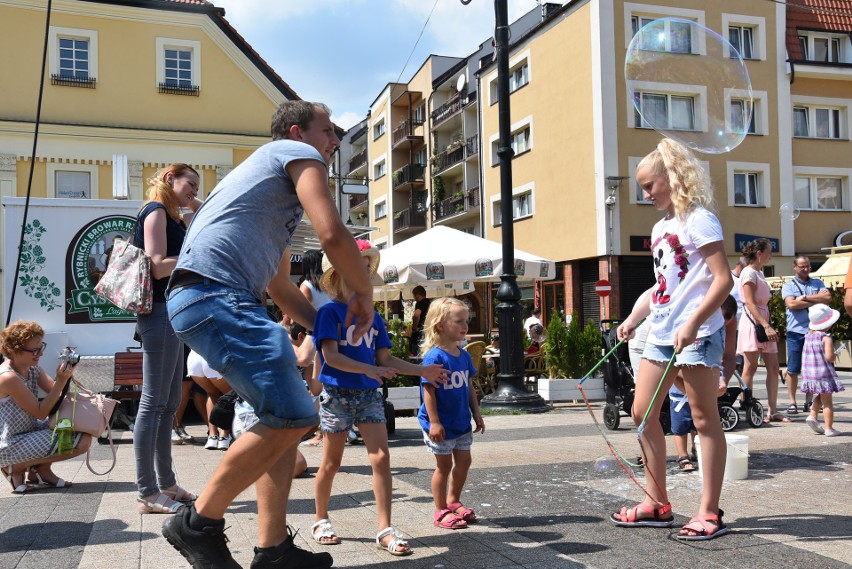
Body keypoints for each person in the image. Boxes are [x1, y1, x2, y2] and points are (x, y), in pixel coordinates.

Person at [163, 101, 375, 569]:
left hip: (206, 298)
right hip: (217, 296)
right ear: (299, 132)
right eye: (329, 131)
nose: (336, 140)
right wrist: (364, 292)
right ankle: (196, 524)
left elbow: (280, 287)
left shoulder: (262, 192)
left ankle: (274, 549)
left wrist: (326, 326)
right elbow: (333, 234)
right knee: (295, 412)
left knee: (279, 421)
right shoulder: (294, 154)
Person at [611, 138, 732, 541]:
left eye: (649, 186)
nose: (645, 195)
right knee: (642, 413)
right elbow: (663, 286)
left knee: (703, 419)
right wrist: (632, 317)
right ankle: (656, 503)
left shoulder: (699, 220)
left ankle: (708, 512)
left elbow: (722, 280)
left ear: (672, 178)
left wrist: (695, 320)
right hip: (662, 333)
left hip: (697, 335)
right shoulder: (660, 228)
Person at [311, 240, 449, 556]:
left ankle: (384, 529)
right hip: (337, 396)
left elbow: (385, 360)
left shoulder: (373, 317)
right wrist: (368, 368)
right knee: (331, 463)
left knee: (382, 458)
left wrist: (421, 371)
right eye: (354, 264)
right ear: (338, 273)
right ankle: (320, 519)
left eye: (365, 266)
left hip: (368, 395)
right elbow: (331, 358)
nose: (362, 271)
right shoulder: (329, 313)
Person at [134, 163, 202, 514]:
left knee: (169, 401)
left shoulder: (174, 217)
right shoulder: (156, 211)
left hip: (170, 313)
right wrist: (193, 259)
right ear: (168, 179)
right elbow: (157, 265)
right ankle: (147, 491)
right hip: (158, 312)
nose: (194, 188)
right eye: (189, 183)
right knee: (153, 402)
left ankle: (167, 483)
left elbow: (205, 226)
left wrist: (194, 208)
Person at [417, 298, 485, 530]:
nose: (464, 326)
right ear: (440, 326)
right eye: (458, 321)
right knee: (444, 466)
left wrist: (476, 413)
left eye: (466, 321)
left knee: (464, 461)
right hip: (440, 424)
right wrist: (434, 422)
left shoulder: (464, 356)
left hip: (460, 421)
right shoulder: (435, 357)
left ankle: (453, 500)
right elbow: (428, 391)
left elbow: (469, 388)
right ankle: (440, 511)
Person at [0, 321, 92, 493]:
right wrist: (61, 381)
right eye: (35, 350)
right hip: (9, 443)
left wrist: (66, 374)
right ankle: (13, 466)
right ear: (15, 350)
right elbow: (40, 412)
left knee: (79, 430)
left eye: (41, 347)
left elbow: (56, 395)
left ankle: (40, 471)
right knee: (81, 442)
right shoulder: (8, 377)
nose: (40, 354)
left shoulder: (31, 367)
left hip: (28, 431)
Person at [736, 238, 787, 424]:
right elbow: (749, 302)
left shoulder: (759, 272)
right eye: (768, 252)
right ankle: (747, 405)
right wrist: (765, 325)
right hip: (754, 322)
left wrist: (768, 323)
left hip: (764, 321)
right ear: (759, 254)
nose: (770, 255)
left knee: (774, 368)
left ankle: (773, 410)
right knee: (750, 367)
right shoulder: (749, 273)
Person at [782, 255, 830, 415]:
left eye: (808, 266)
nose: (806, 269)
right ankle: (792, 402)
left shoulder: (817, 283)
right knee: (793, 369)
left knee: (812, 369)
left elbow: (827, 298)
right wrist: (817, 301)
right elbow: (791, 304)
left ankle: (809, 402)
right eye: (802, 266)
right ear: (794, 267)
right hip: (795, 331)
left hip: (815, 331)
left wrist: (805, 298)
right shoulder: (789, 285)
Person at [298, 249, 330, 447]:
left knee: (302, 362)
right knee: (321, 385)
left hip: (315, 332)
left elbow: (299, 310)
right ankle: (322, 432)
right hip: (331, 333)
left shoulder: (306, 285)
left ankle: (320, 433)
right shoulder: (329, 283)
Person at [801, 304, 844, 437]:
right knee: (828, 402)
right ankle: (829, 428)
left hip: (810, 373)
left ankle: (812, 415)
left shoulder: (808, 336)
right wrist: (835, 355)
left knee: (820, 395)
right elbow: (829, 357)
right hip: (823, 374)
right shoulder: (826, 337)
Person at [186, 350, 232, 451]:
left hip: (194, 358)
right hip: (215, 355)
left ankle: (212, 436)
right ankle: (224, 436)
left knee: (211, 394)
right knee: (230, 396)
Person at [409, 285, 431, 356]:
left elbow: (416, 315)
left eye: (414, 295)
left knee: (417, 355)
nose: (414, 298)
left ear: (418, 295)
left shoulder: (420, 303)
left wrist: (414, 328)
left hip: (420, 333)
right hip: (429, 331)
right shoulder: (430, 303)